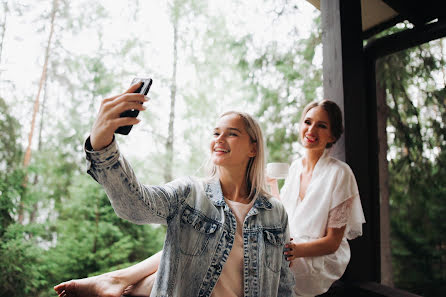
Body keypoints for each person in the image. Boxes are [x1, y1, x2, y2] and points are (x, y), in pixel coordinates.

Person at [54, 82, 295, 297]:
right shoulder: (190, 193)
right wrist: (102, 144)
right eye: (216, 133)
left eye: (231, 134)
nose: (219, 139)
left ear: (253, 148)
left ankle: (117, 280)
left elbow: (283, 286)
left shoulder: (275, 213)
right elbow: (136, 205)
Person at [268, 99, 366, 297]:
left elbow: (332, 243)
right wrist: (270, 185)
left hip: (320, 257)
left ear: (332, 135)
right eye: (307, 122)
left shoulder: (340, 173)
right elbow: (285, 213)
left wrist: (295, 251)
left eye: (321, 126)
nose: (311, 130)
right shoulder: (295, 167)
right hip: (292, 249)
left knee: (265, 268)